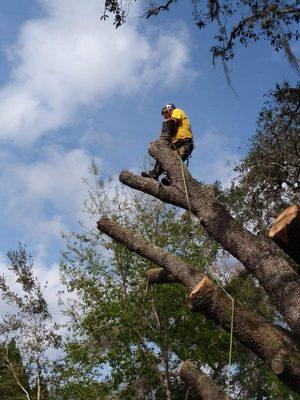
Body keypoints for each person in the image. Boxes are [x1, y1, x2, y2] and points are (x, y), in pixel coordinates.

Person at [141, 104, 194, 184]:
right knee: (164, 157)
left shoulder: (176, 111)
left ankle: (169, 178)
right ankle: (155, 174)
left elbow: (174, 122)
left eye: (166, 113)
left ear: (170, 109)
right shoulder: (173, 123)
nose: (165, 117)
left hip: (184, 142)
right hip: (175, 144)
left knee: (176, 160)